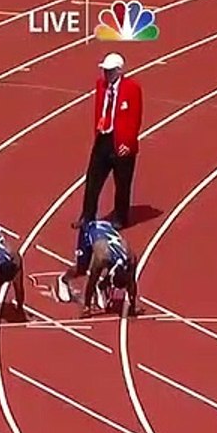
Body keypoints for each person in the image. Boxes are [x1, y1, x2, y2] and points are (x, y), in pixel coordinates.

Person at [75, 52, 143, 230]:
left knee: (122, 183)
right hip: (104, 138)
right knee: (93, 179)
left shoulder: (132, 88)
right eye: (105, 70)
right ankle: (87, 216)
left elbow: (135, 118)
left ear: (119, 71)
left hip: (122, 142)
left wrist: (127, 144)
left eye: (110, 71)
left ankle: (121, 217)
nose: (107, 74)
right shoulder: (101, 85)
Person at [58, 219, 142, 318]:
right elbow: (91, 280)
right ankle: (63, 280)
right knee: (82, 269)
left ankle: (101, 286)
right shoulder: (102, 256)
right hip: (89, 231)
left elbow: (131, 282)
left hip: (107, 235)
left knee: (112, 273)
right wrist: (87, 307)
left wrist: (132, 307)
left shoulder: (131, 258)